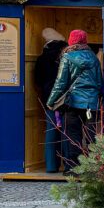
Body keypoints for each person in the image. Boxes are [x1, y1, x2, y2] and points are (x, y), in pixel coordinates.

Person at [47, 29, 104, 173]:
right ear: (85, 41)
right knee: (92, 136)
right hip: (92, 103)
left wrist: (51, 101)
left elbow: (60, 83)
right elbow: (99, 82)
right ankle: (93, 168)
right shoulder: (93, 57)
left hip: (73, 103)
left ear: (71, 41)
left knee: (73, 135)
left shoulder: (67, 57)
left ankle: (74, 167)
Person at [34, 27, 67, 173]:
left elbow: (38, 80)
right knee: (67, 132)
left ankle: (51, 166)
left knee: (51, 131)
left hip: (49, 99)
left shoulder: (41, 58)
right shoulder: (65, 57)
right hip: (66, 98)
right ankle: (69, 166)